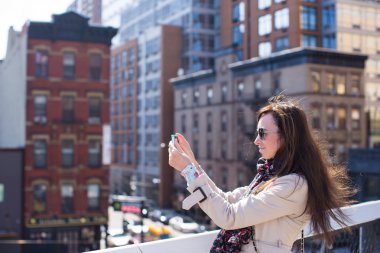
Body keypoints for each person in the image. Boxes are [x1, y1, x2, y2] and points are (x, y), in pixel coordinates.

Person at [168, 95, 354, 253]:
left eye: (262, 133)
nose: (256, 141)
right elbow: (227, 200)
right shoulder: (268, 178)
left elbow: (229, 217)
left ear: (287, 136)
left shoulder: (293, 186)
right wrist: (193, 165)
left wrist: (188, 171)